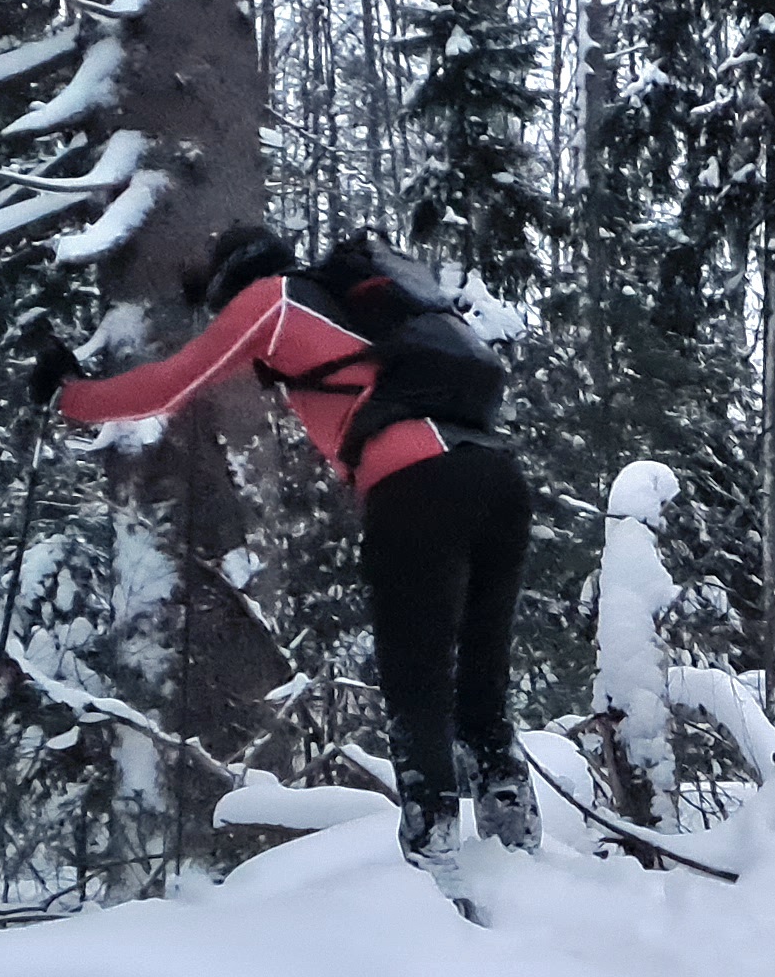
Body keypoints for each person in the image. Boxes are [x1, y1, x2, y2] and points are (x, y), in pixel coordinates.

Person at [40, 225, 537, 882]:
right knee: (482, 683)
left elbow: (172, 384)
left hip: (417, 485)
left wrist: (70, 395)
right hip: (498, 479)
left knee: (417, 680)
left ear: (233, 280)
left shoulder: (274, 298)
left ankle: (436, 869)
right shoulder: (365, 315)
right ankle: (520, 863)